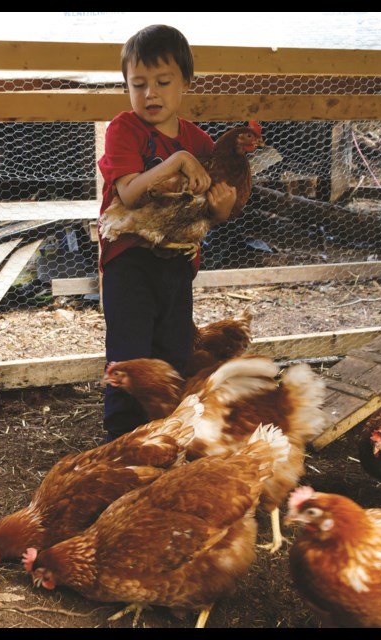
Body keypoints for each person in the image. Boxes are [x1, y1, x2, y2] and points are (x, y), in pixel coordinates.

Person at [98, 24, 237, 442]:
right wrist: (175, 160)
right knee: (129, 357)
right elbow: (130, 193)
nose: (150, 93)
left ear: (186, 84)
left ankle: (165, 438)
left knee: (174, 353)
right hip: (130, 262)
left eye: (162, 82)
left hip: (178, 264)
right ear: (126, 86)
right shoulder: (125, 130)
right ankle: (121, 440)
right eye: (138, 84)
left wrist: (221, 204)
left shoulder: (200, 140)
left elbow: (219, 210)